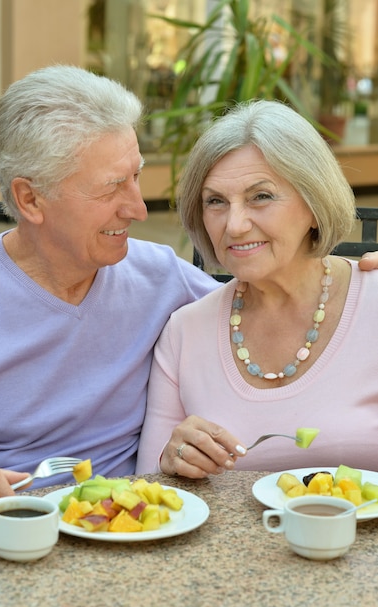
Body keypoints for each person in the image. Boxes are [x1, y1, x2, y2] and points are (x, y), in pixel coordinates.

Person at [0, 65, 220, 529]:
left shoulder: (158, 275)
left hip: (131, 534)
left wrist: (356, 279)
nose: (139, 208)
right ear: (31, 200)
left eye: (136, 176)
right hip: (0, 531)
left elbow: (270, 307)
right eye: (111, 187)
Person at [136, 99, 378, 479]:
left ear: (314, 204)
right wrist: (173, 462)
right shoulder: (185, 331)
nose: (234, 225)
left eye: (260, 196)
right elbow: (151, 487)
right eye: (215, 201)